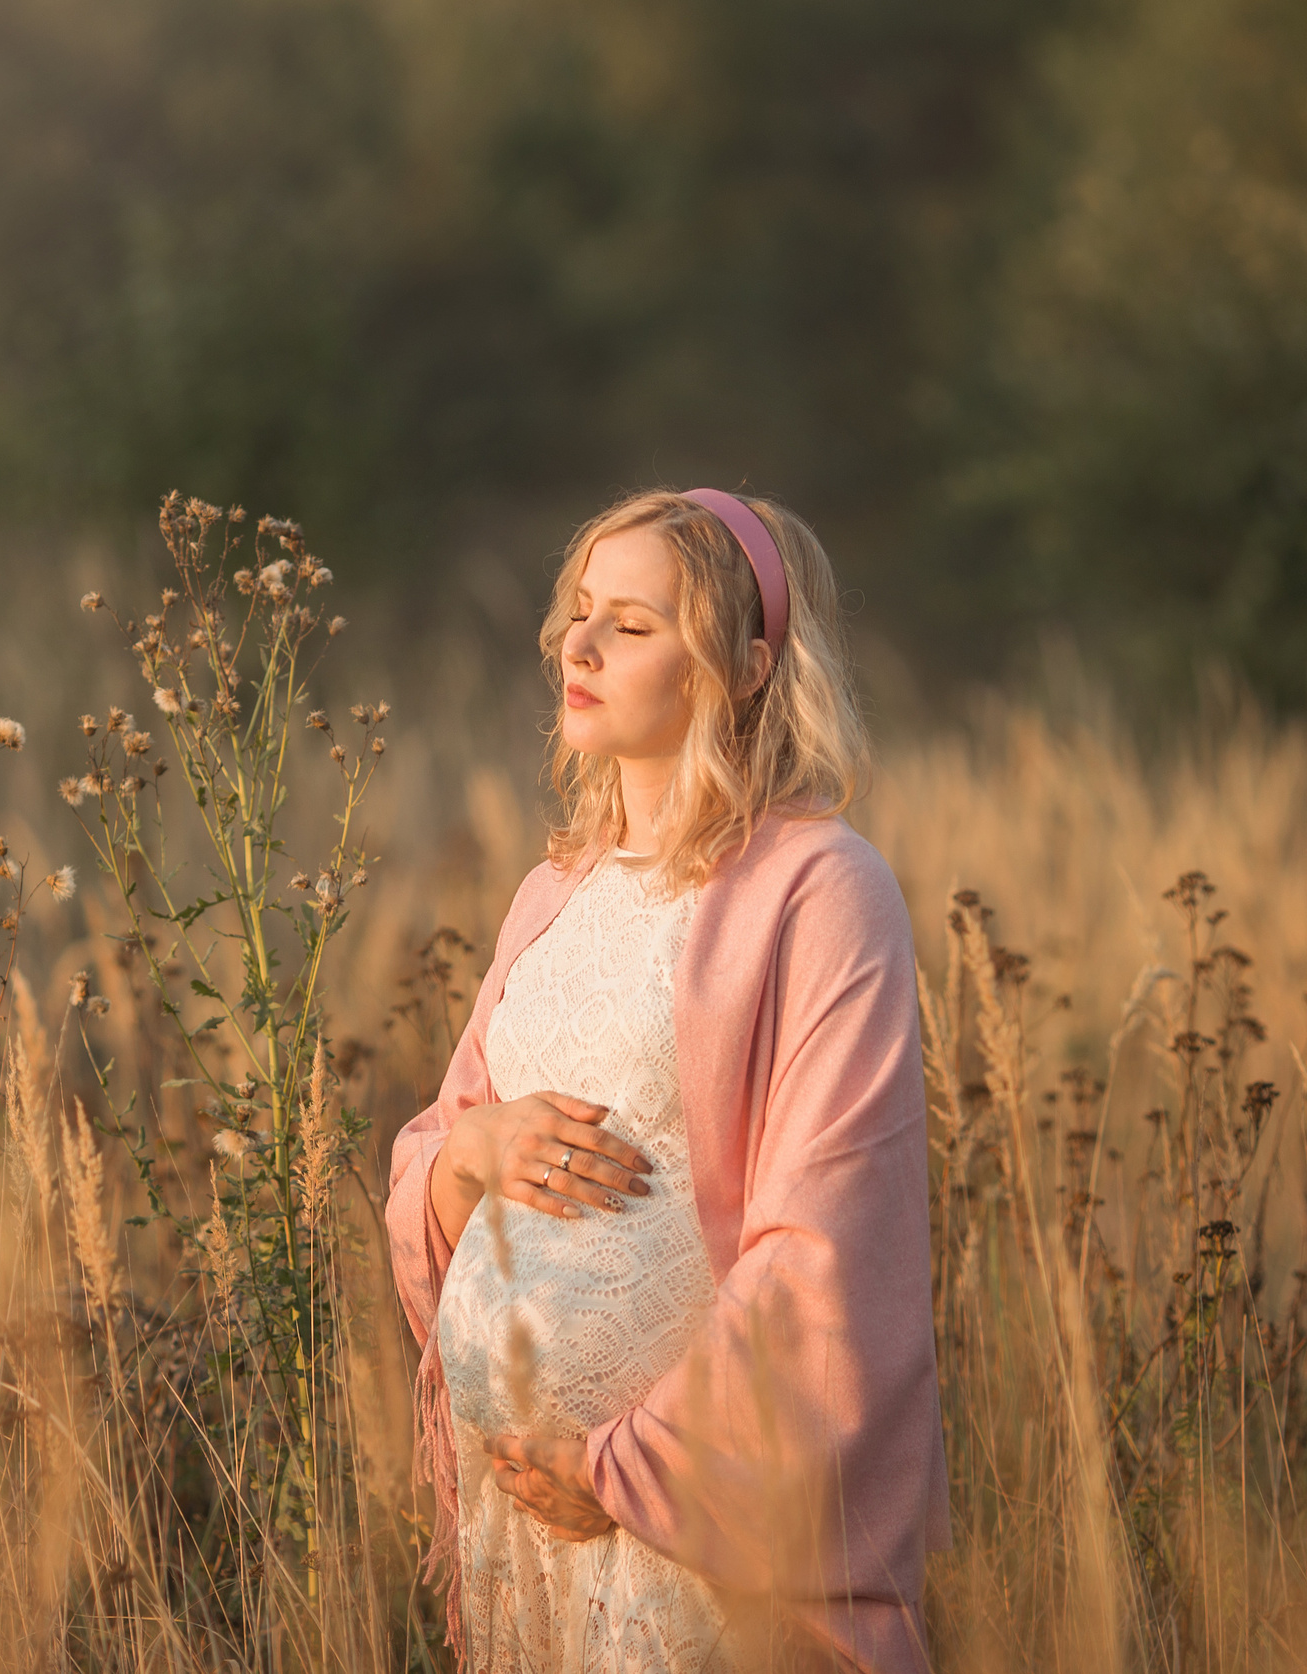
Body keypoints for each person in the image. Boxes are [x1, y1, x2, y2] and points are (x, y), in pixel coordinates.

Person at [384, 488, 949, 1673]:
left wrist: (626, 1469)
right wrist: (472, 1154)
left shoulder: (820, 890)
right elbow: (444, 1139)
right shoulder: (557, 892)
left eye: (630, 627)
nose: (575, 646)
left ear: (743, 668)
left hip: (693, 1529)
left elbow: (827, 1244)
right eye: (578, 613)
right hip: (521, 1527)